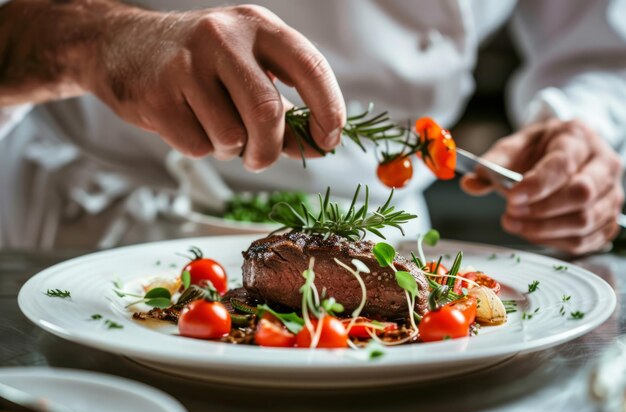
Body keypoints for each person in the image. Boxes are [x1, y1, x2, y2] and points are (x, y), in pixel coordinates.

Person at [0, 0, 624, 254]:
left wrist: (580, 123)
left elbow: (599, 46)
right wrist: (90, 42)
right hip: (88, 234)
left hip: (383, 244)